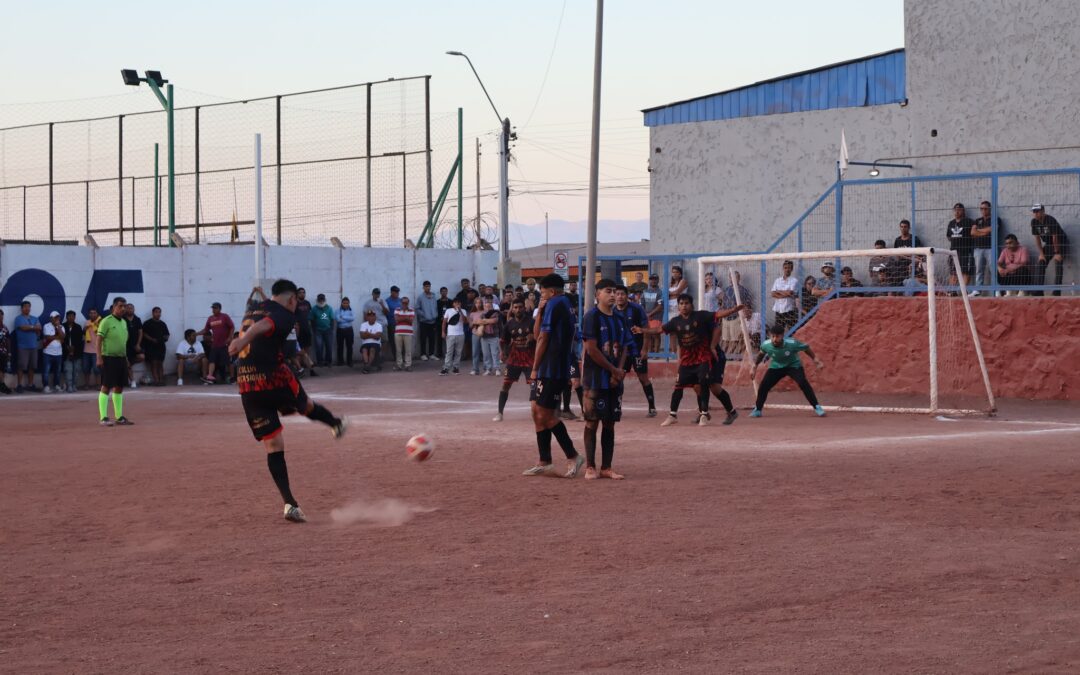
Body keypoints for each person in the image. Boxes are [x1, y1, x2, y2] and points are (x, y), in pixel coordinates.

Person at [229, 278, 348, 524]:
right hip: (274, 378)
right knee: (306, 406)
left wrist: (242, 340)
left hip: (248, 384)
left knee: (273, 446)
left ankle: (290, 504)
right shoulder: (284, 314)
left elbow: (259, 321)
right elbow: (264, 326)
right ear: (292, 299)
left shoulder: (254, 307)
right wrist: (243, 340)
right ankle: (336, 423)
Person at [522, 273, 584, 478]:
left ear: (552, 291)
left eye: (543, 291)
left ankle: (573, 455)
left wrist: (534, 368)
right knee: (535, 410)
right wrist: (539, 311)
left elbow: (543, 338)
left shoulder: (557, 303)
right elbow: (538, 331)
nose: (542, 294)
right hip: (549, 366)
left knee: (546, 415)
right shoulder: (557, 304)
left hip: (551, 367)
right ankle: (544, 460)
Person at [636, 293, 716, 427]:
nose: (684, 306)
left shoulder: (700, 316)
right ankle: (672, 415)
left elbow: (718, 315)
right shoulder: (675, 321)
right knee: (678, 386)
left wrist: (734, 310)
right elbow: (658, 329)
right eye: (681, 304)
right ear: (678, 306)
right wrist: (642, 330)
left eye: (686, 303)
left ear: (691, 305)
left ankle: (704, 414)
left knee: (702, 384)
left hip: (702, 357)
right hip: (686, 361)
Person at [580, 279, 630, 480]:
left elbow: (625, 346)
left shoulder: (619, 318)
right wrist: (613, 370)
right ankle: (590, 466)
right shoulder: (591, 317)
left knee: (610, 423)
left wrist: (619, 371)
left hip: (614, 380)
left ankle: (606, 467)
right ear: (597, 294)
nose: (613, 295)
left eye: (615, 291)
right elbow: (591, 349)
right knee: (592, 422)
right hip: (595, 379)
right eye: (608, 291)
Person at [750, 324, 826, 418]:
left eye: (777, 336)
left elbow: (806, 348)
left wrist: (816, 360)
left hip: (793, 366)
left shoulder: (792, 343)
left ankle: (817, 407)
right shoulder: (766, 345)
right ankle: (758, 409)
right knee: (764, 386)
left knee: (802, 382)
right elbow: (761, 354)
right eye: (772, 336)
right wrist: (754, 367)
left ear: (782, 336)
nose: (774, 339)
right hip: (776, 367)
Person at [614, 284, 658, 417]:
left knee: (643, 377)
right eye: (617, 294)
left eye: (622, 294)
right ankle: (617, 408)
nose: (620, 297)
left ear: (627, 296)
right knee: (618, 377)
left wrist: (645, 349)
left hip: (637, 349)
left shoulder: (636, 309)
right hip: (622, 352)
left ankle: (652, 408)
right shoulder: (612, 311)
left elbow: (646, 329)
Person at [494, 298, 534, 422]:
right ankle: (500, 413)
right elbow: (503, 341)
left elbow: (540, 338)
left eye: (520, 307)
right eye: (515, 307)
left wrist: (533, 338)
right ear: (512, 309)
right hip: (514, 359)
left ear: (524, 308)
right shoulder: (509, 324)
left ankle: (535, 412)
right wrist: (503, 352)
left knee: (534, 385)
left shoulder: (532, 322)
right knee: (506, 385)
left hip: (529, 358)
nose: (518, 310)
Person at [96, 297, 132, 426]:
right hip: (109, 357)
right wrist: (99, 357)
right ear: (114, 307)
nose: (123, 308)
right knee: (106, 386)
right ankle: (103, 417)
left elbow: (123, 342)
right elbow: (99, 339)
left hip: (121, 358)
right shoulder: (106, 321)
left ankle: (119, 417)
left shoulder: (124, 322)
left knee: (119, 387)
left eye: (124, 306)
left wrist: (126, 358)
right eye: (120, 306)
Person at [1030, 203, 1068, 296]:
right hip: (1049, 244)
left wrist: (1057, 253)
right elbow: (1037, 239)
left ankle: (1056, 292)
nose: (1035, 214)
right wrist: (1041, 254)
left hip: (1061, 242)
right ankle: (1038, 291)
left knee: (1058, 263)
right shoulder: (1034, 222)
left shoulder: (1050, 220)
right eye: (1034, 212)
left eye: (1037, 211)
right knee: (1040, 263)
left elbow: (1055, 238)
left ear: (1043, 211)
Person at [970, 201, 1003, 295]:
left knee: (993, 269)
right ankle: (977, 290)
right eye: (981, 208)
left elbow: (993, 229)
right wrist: (985, 232)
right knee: (979, 270)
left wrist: (979, 231)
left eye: (985, 208)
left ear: (990, 209)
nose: (983, 210)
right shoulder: (977, 220)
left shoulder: (996, 219)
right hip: (978, 249)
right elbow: (972, 233)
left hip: (991, 248)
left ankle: (996, 289)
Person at [197, 302, 234, 384]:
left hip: (224, 344)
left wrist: (230, 337)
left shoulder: (225, 316)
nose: (213, 310)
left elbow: (232, 326)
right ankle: (210, 377)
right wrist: (197, 333)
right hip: (215, 344)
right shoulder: (210, 318)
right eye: (213, 308)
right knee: (212, 360)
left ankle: (232, 378)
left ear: (220, 309)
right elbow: (206, 330)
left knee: (228, 362)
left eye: (215, 308)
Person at [718, 271, 753, 355]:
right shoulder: (726, 289)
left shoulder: (743, 290)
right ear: (729, 278)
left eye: (735, 277)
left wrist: (746, 314)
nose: (733, 279)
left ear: (739, 278)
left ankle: (735, 355)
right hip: (726, 317)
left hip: (736, 317)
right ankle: (726, 354)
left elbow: (748, 303)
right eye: (731, 277)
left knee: (736, 339)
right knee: (726, 339)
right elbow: (723, 303)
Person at [13, 300, 41, 393]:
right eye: (25, 307)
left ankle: (30, 384)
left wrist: (30, 327)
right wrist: (33, 327)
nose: (27, 308)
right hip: (23, 346)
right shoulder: (18, 318)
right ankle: (19, 385)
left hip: (33, 346)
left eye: (29, 306)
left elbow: (39, 328)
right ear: (22, 308)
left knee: (32, 366)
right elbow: (23, 328)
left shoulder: (35, 318)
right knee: (21, 366)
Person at [946, 202, 975, 287]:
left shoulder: (969, 221)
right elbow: (948, 236)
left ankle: (963, 291)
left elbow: (973, 234)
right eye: (955, 210)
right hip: (953, 251)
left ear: (963, 211)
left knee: (965, 271)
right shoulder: (951, 223)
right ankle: (952, 291)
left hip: (965, 251)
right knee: (953, 272)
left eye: (959, 210)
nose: (957, 212)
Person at [141, 306, 169, 386]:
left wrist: (165, 338)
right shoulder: (147, 323)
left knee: (160, 363)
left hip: (161, 346)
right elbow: (144, 333)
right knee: (154, 363)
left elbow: (167, 334)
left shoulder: (162, 324)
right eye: (156, 312)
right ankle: (156, 380)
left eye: (159, 312)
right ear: (153, 313)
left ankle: (161, 380)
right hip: (151, 346)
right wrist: (152, 339)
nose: (158, 314)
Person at [440, 297, 468, 375]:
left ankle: (456, 367)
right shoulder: (449, 311)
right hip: (450, 334)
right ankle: (446, 368)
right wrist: (443, 332)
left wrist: (460, 312)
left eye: (458, 303)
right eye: (455, 303)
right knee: (449, 352)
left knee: (458, 352)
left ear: (460, 304)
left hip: (460, 334)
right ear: (453, 304)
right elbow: (444, 322)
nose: (457, 304)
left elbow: (465, 321)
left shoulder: (463, 311)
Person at [770, 260, 799, 334]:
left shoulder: (794, 280)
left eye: (789, 268)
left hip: (789, 310)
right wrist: (785, 293)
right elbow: (772, 294)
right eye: (785, 268)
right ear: (783, 268)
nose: (787, 269)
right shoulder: (777, 280)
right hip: (778, 309)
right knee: (778, 331)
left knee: (793, 331)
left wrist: (778, 291)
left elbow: (790, 293)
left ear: (792, 269)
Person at [362, 288, 390, 365]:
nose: (377, 295)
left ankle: (382, 357)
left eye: (378, 293)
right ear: (372, 294)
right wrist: (367, 325)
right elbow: (365, 315)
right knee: (374, 341)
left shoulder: (383, 302)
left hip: (383, 324)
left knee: (384, 341)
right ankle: (374, 359)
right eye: (375, 293)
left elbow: (387, 312)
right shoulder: (368, 303)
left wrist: (382, 304)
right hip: (373, 325)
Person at [294, 287, 317, 376]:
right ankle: (300, 368)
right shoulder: (294, 303)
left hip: (307, 329)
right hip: (298, 330)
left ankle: (307, 367)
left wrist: (311, 325)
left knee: (307, 349)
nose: (302, 294)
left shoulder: (307, 303)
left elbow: (311, 315)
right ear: (297, 294)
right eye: (300, 292)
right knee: (299, 350)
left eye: (303, 292)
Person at [41, 311, 65, 393]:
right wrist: (58, 337)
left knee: (57, 371)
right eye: (55, 317)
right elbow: (48, 337)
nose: (57, 319)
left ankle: (56, 385)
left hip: (58, 353)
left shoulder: (61, 326)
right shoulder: (46, 326)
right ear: (51, 318)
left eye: (58, 317)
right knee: (46, 371)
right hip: (48, 352)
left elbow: (63, 337)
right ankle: (46, 386)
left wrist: (58, 327)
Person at [416, 281, 439, 361]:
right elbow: (417, 309)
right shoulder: (420, 297)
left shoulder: (433, 296)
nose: (427, 288)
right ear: (423, 287)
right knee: (423, 338)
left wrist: (435, 315)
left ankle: (431, 354)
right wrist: (424, 315)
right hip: (424, 322)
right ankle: (423, 354)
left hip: (433, 321)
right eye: (426, 286)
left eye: (428, 286)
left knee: (432, 338)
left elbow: (435, 307)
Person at [62, 310, 84, 393]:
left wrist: (74, 349)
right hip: (66, 352)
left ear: (75, 317)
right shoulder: (63, 326)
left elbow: (80, 340)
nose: (71, 317)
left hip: (77, 352)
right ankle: (69, 386)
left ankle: (74, 385)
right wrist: (67, 348)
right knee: (68, 370)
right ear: (66, 317)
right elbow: (62, 339)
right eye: (69, 316)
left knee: (76, 370)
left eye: (72, 316)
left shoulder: (78, 327)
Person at [310, 293, 335, 367]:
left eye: (322, 300)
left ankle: (328, 362)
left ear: (325, 300)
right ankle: (320, 362)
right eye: (320, 300)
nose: (321, 301)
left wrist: (331, 329)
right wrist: (314, 329)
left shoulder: (329, 308)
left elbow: (332, 319)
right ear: (317, 300)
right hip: (318, 331)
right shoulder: (314, 308)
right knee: (319, 347)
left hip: (328, 330)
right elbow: (311, 319)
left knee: (329, 346)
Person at [123, 303, 144, 388]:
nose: (130, 309)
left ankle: (128, 364)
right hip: (125, 345)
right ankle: (132, 381)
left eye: (131, 308)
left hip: (135, 345)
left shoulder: (137, 319)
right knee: (126, 363)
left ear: (134, 309)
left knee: (142, 357)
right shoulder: (122, 319)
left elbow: (140, 332)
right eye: (128, 308)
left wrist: (138, 344)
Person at [641, 273, 663, 355]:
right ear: (649, 280)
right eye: (651, 279)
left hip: (656, 316)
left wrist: (649, 314)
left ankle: (656, 354)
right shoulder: (645, 291)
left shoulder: (660, 292)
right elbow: (642, 304)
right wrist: (645, 314)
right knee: (647, 335)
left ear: (658, 280)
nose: (653, 281)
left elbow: (660, 306)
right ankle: (650, 352)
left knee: (656, 334)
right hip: (646, 317)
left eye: (655, 279)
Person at [393, 296, 416, 371]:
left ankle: (408, 365)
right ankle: (399, 365)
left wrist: (402, 318)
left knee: (408, 350)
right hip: (398, 332)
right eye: (403, 302)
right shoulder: (397, 309)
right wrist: (406, 317)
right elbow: (396, 320)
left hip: (408, 333)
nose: (405, 304)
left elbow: (411, 321)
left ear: (408, 303)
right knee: (398, 350)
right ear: (401, 302)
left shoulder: (411, 310)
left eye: (406, 303)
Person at [82, 308, 100, 391]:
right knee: (86, 369)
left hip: (96, 350)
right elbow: (83, 334)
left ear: (97, 314)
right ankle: (86, 384)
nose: (92, 314)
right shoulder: (86, 322)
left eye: (94, 313)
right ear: (89, 314)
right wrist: (85, 329)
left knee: (97, 369)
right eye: (91, 313)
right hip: (86, 350)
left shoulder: (101, 322)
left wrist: (96, 326)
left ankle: (98, 385)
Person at [467, 297, 486, 375]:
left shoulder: (485, 312)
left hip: (483, 333)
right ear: (474, 304)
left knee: (485, 352)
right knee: (475, 352)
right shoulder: (472, 314)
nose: (478, 304)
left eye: (480, 303)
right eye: (477, 303)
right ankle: (475, 369)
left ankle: (486, 368)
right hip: (475, 334)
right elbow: (470, 325)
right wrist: (475, 322)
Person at [335, 297, 355, 367]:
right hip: (340, 330)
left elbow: (352, 318)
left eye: (347, 303)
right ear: (342, 303)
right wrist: (347, 319)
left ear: (349, 303)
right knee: (340, 346)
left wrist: (343, 317)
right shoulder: (337, 310)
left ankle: (349, 361)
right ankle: (340, 361)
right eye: (344, 303)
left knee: (349, 346)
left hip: (349, 330)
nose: (345, 304)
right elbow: (338, 320)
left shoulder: (351, 310)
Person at [435, 286, 452, 359]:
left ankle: (450, 354)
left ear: (447, 292)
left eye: (445, 291)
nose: (444, 293)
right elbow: (436, 312)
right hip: (440, 322)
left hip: (449, 322)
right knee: (439, 338)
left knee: (450, 339)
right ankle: (439, 354)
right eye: (442, 291)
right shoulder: (437, 302)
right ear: (440, 292)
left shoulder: (451, 302)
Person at [0, 309, 11, 395]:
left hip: (3, 352)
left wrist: (9, 352)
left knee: (2, 369)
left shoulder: (5, 328)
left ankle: (2, 384)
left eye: (1, 315)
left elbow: (8, 340)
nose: (1, 317)